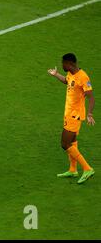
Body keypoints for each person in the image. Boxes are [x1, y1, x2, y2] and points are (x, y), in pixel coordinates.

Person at [48, 53, 95, 184]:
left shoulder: (83, 77)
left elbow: (91, 97)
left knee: (65, 144)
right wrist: (56, 74)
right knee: (72, 142)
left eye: (63, 63)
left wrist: (90, 114)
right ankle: (73, 170)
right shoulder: (71, 73)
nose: (62, 65)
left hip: (75, 115)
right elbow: (67, 81)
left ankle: (87, 168)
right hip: (69, 114)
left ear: (69, 63)